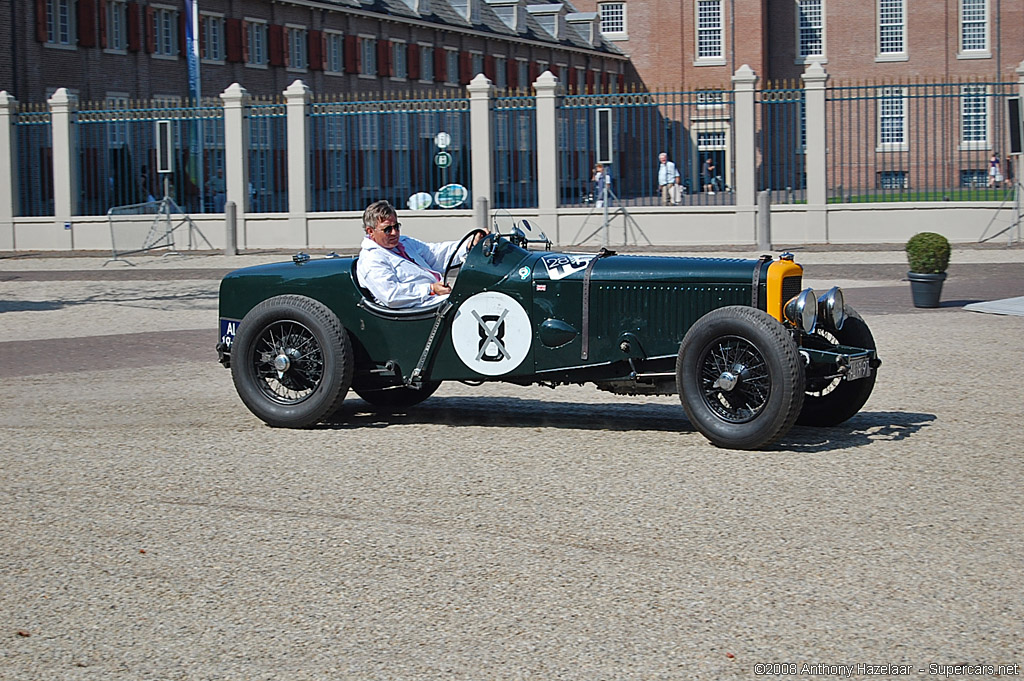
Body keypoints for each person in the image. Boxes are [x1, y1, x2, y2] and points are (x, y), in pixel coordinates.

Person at [356, 200, 485, 309]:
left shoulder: (404, 243)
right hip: (417, 309)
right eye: (387, 229)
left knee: (481, 295)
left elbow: (434, 254)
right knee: (471, 304)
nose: (394, 233)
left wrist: (468, 245)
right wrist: (430, 289)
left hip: (435, 301)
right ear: (370, 231)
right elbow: (391, 295)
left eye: (396, 227)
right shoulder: (371, 259)